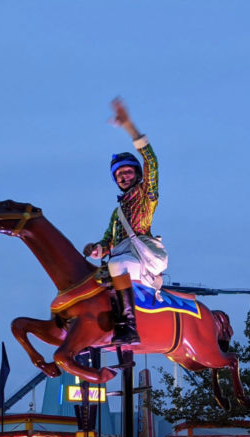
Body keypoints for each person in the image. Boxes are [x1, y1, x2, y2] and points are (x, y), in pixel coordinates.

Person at [82, 98, 163, 345]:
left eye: (127, 171)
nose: (124, 177)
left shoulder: (147, 195)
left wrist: (129, 126)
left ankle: (129, 326)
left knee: (117, 264)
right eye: (119, 175)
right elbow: (108, 242)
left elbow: (152, 162)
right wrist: (95, 249)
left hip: (138, 259)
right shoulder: (117, 213)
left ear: (137, 174)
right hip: (119, 257)